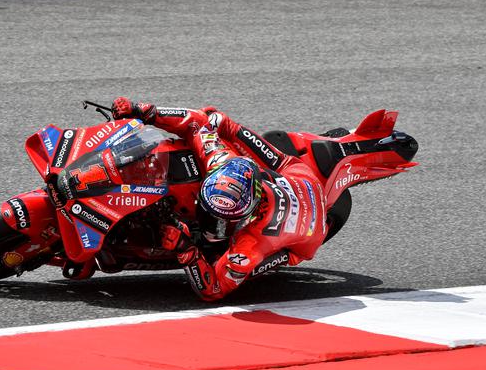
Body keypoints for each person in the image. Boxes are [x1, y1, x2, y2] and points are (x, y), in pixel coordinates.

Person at [111, 97, 328, 301]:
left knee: (230, 263)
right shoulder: (220, 160)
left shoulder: (250, 245)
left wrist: (187, 251)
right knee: (217, 119)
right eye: (209, 214)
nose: (212, 226)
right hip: (297, 177)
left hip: (309, 236)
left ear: (246, 216)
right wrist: (146, 111)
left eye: (224, 222)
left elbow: (213, 290)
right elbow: (198, 122)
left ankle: (281, 258)